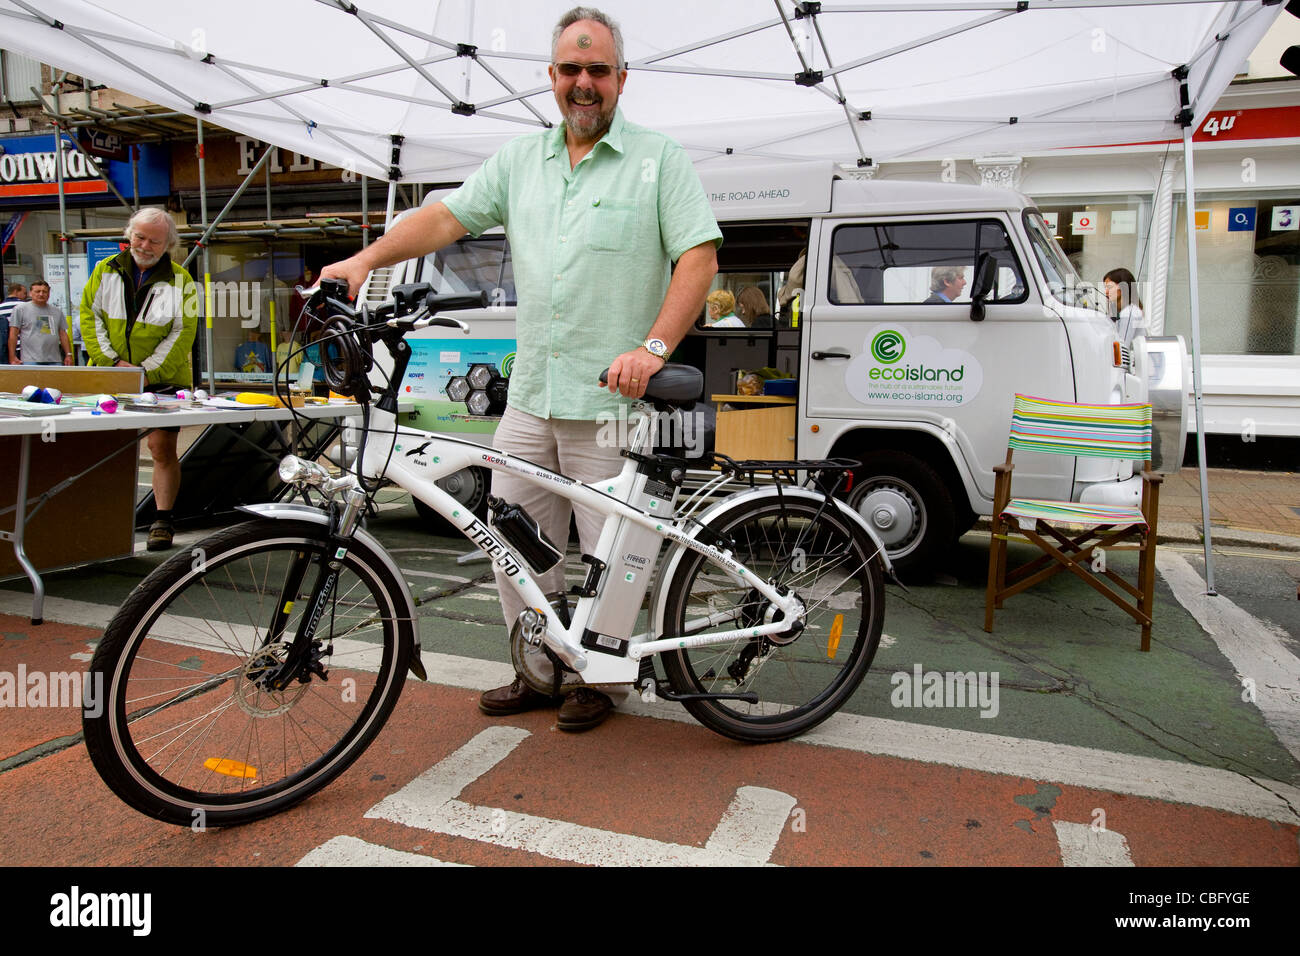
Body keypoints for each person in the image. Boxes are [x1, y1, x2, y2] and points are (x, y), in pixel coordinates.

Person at [323, 6, 720, 732]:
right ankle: (538, 668)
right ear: (551, 78)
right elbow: (444, 220)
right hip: (532, 395)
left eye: (597, 69)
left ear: (621, 79)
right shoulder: (519, 161)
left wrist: (653, 348)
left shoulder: (659, 160)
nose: (584, 83)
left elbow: (698, 257)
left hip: (611, 403)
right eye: (571, 70)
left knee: (612, 557)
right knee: (511, 546)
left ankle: (599, 678)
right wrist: (364, 260)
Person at [81, 207, 199, 552]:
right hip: (109, 373)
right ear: (129, 234)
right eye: (140, 236)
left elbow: (183, 332)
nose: (145, 245)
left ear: (169, 245)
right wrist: (112, 363)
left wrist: (144, 371)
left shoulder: (182, 281)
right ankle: (103, 519)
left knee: (160, 448)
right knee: (107, 449)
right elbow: (89, 317)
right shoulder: (104, 270)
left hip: (162, 376)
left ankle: (163, 520)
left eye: (154, 241)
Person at [9, 280, 73, 366]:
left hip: (54, 359)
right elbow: (13, 334)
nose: (41, 294)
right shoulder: (20, 309)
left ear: (49, 293)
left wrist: (68, 355)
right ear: (30, 293)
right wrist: (12, 357)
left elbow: (63, 334)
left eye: (44, 291)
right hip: (30, 360)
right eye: (37, 291)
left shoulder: (57, 311)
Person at [1102, 267, 1145, 345]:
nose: (1106, 292)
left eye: (1109, 287)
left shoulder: (1129, 313)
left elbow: (1123, 345)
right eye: (1106, 288)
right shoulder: (1123, 312)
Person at [0, 283, 29, 365]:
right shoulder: (25, 306)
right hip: (23, 347)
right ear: (16, 291)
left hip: (4, 348)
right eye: (24, 293)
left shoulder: (1, 307)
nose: (26, 296)